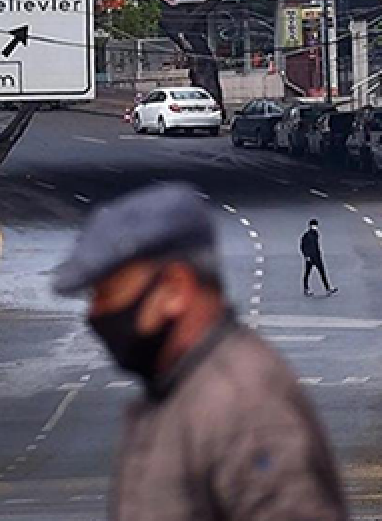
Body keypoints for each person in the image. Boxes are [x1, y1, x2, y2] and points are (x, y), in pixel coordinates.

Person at [53, 184, 347, 521]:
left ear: (175, 288)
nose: (95, 314)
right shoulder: (177, 391)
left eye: (109, 293)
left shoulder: (240, 405)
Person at [300, 219, 335, 296]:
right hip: (310, 257)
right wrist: (306, 256)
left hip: (317, 256)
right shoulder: (306, 235)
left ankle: (328, 288)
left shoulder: (316, 234)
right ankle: (306, 288)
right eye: (314, 225)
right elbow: (303, 246)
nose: (315, 227)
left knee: (322, 272)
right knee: (307, 273)